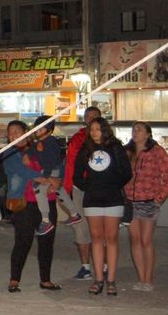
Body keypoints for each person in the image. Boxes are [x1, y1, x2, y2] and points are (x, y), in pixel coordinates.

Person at [72, 117, 132, 296]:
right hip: (92, 200)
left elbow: (127, 172)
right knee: (96, 238)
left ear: (105, 130)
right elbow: (76, 176)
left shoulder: (115, 148)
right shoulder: (85, 150)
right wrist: (89, 187)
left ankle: (111, 280)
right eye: (92, 129)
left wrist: (113, 186)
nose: (94, 132)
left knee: (111, 238)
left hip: (113, 199)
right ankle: (98, 279)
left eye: (98, 129)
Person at [3, 120, 61, 293]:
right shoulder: (9, 153)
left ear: (27, 132)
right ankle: (14, 279)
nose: (13, 135)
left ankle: (46, 279)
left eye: (16, 131)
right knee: (22, 241)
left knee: (47, 242)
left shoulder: (40, 147)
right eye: (10, 132)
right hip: (25, 202)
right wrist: (46, 179)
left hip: (47, 199)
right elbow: (22, 171)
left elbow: (57, 163)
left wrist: (56, 180)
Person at [123, 122, 168, 292]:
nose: (136, 132)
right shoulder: (127, 152)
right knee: (135, 240)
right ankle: (141, 278)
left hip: (149, 201)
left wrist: (159, 197)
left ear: (148, 134)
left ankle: (148, 279)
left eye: (140, 130)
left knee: (146, 240)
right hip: (130, 201)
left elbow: (166, 174)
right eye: (134, 129)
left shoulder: (157, 152)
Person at [64, 106, 101, 280]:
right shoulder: (77, 139)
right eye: (88, 116)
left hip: (101, 189)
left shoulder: (109, 142)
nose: (90, 119)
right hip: (80, 188)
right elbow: (70, 164)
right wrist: (69, 187)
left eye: (94, 117)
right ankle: (85, 266)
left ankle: (104, 266)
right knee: (81, 227)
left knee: (101, 229)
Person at [30, 115, 83, 236]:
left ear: (49, 130)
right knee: (60, 191)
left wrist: (46, 176)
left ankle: (45, 219)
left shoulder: (51, 142)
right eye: (36, 128)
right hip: (53, 170)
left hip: (52, 170)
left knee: (38, 188)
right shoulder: (39, 143)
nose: (38, 131)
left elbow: (52, 161)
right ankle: (74, 213)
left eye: (41, 129)